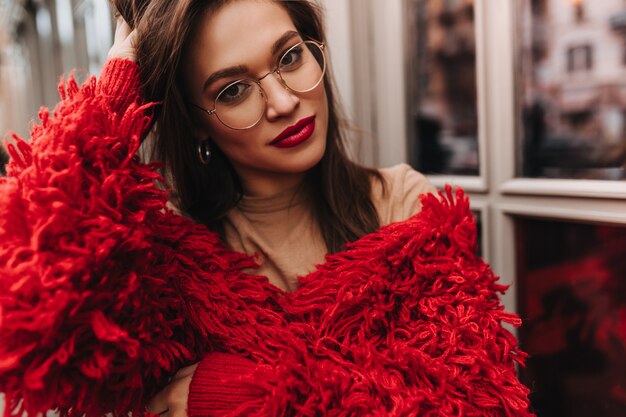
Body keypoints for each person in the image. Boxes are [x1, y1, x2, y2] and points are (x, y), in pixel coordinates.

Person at [0, 0, 533, 416]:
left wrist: (248, 399)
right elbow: (28, 306)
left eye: (289, 57)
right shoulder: (170, 257)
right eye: (233, 90)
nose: (283, 101)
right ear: (195, 121)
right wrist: (115, 92)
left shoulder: (401, 204)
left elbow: (475, 399)